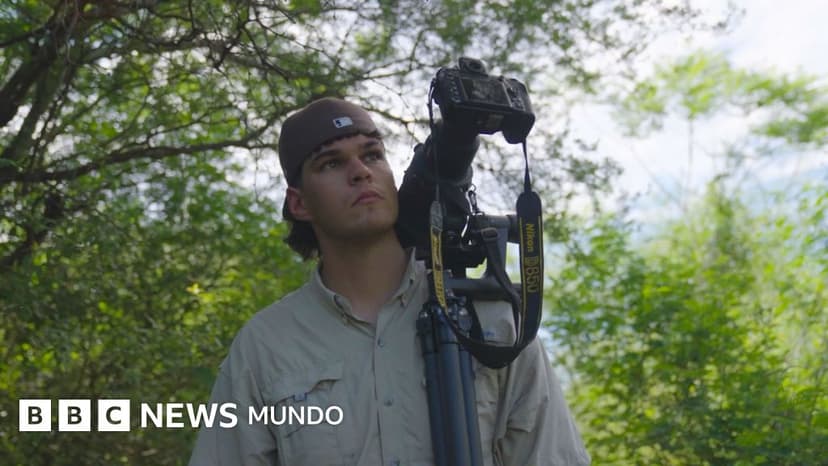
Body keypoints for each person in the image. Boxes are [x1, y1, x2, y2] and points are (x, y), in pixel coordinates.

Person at [188, 97, 590, 466]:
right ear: (300, 203)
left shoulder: (490, 321)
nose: (360, 172)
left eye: (372, 155)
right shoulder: (266, 347)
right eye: (331, 163)